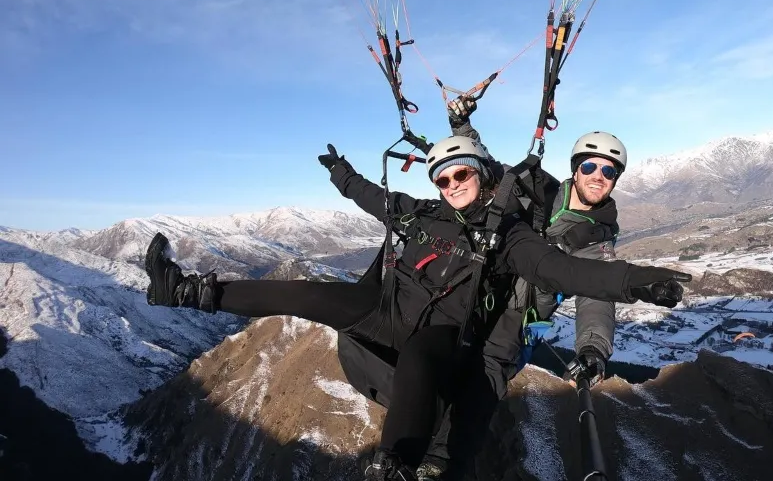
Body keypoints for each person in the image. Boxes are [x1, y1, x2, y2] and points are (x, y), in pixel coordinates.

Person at [142, 135, 691, 480]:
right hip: (388, 309)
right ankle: (186, 291)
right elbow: (381, 202)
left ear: (482, 177)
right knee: (311, 295)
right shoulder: (427, 212)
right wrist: (343, 177)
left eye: (462, 174)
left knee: (430, 368)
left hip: (453, 331)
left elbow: (566, 273)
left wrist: (636, 282)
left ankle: (394, 464)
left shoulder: (509, 236)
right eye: (444, 178)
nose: (452, 184)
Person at [418, 98, 632, 478]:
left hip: (519, 314)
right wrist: (461, 124)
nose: (598, 176)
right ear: (576, 169)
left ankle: (440, 464)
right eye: (590, 166)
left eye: (608, 171)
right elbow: (488, 168)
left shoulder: (597, 241)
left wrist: (593, 348)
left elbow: (597, 297)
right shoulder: (538, 189)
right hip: (485, 281)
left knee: (489, 371)